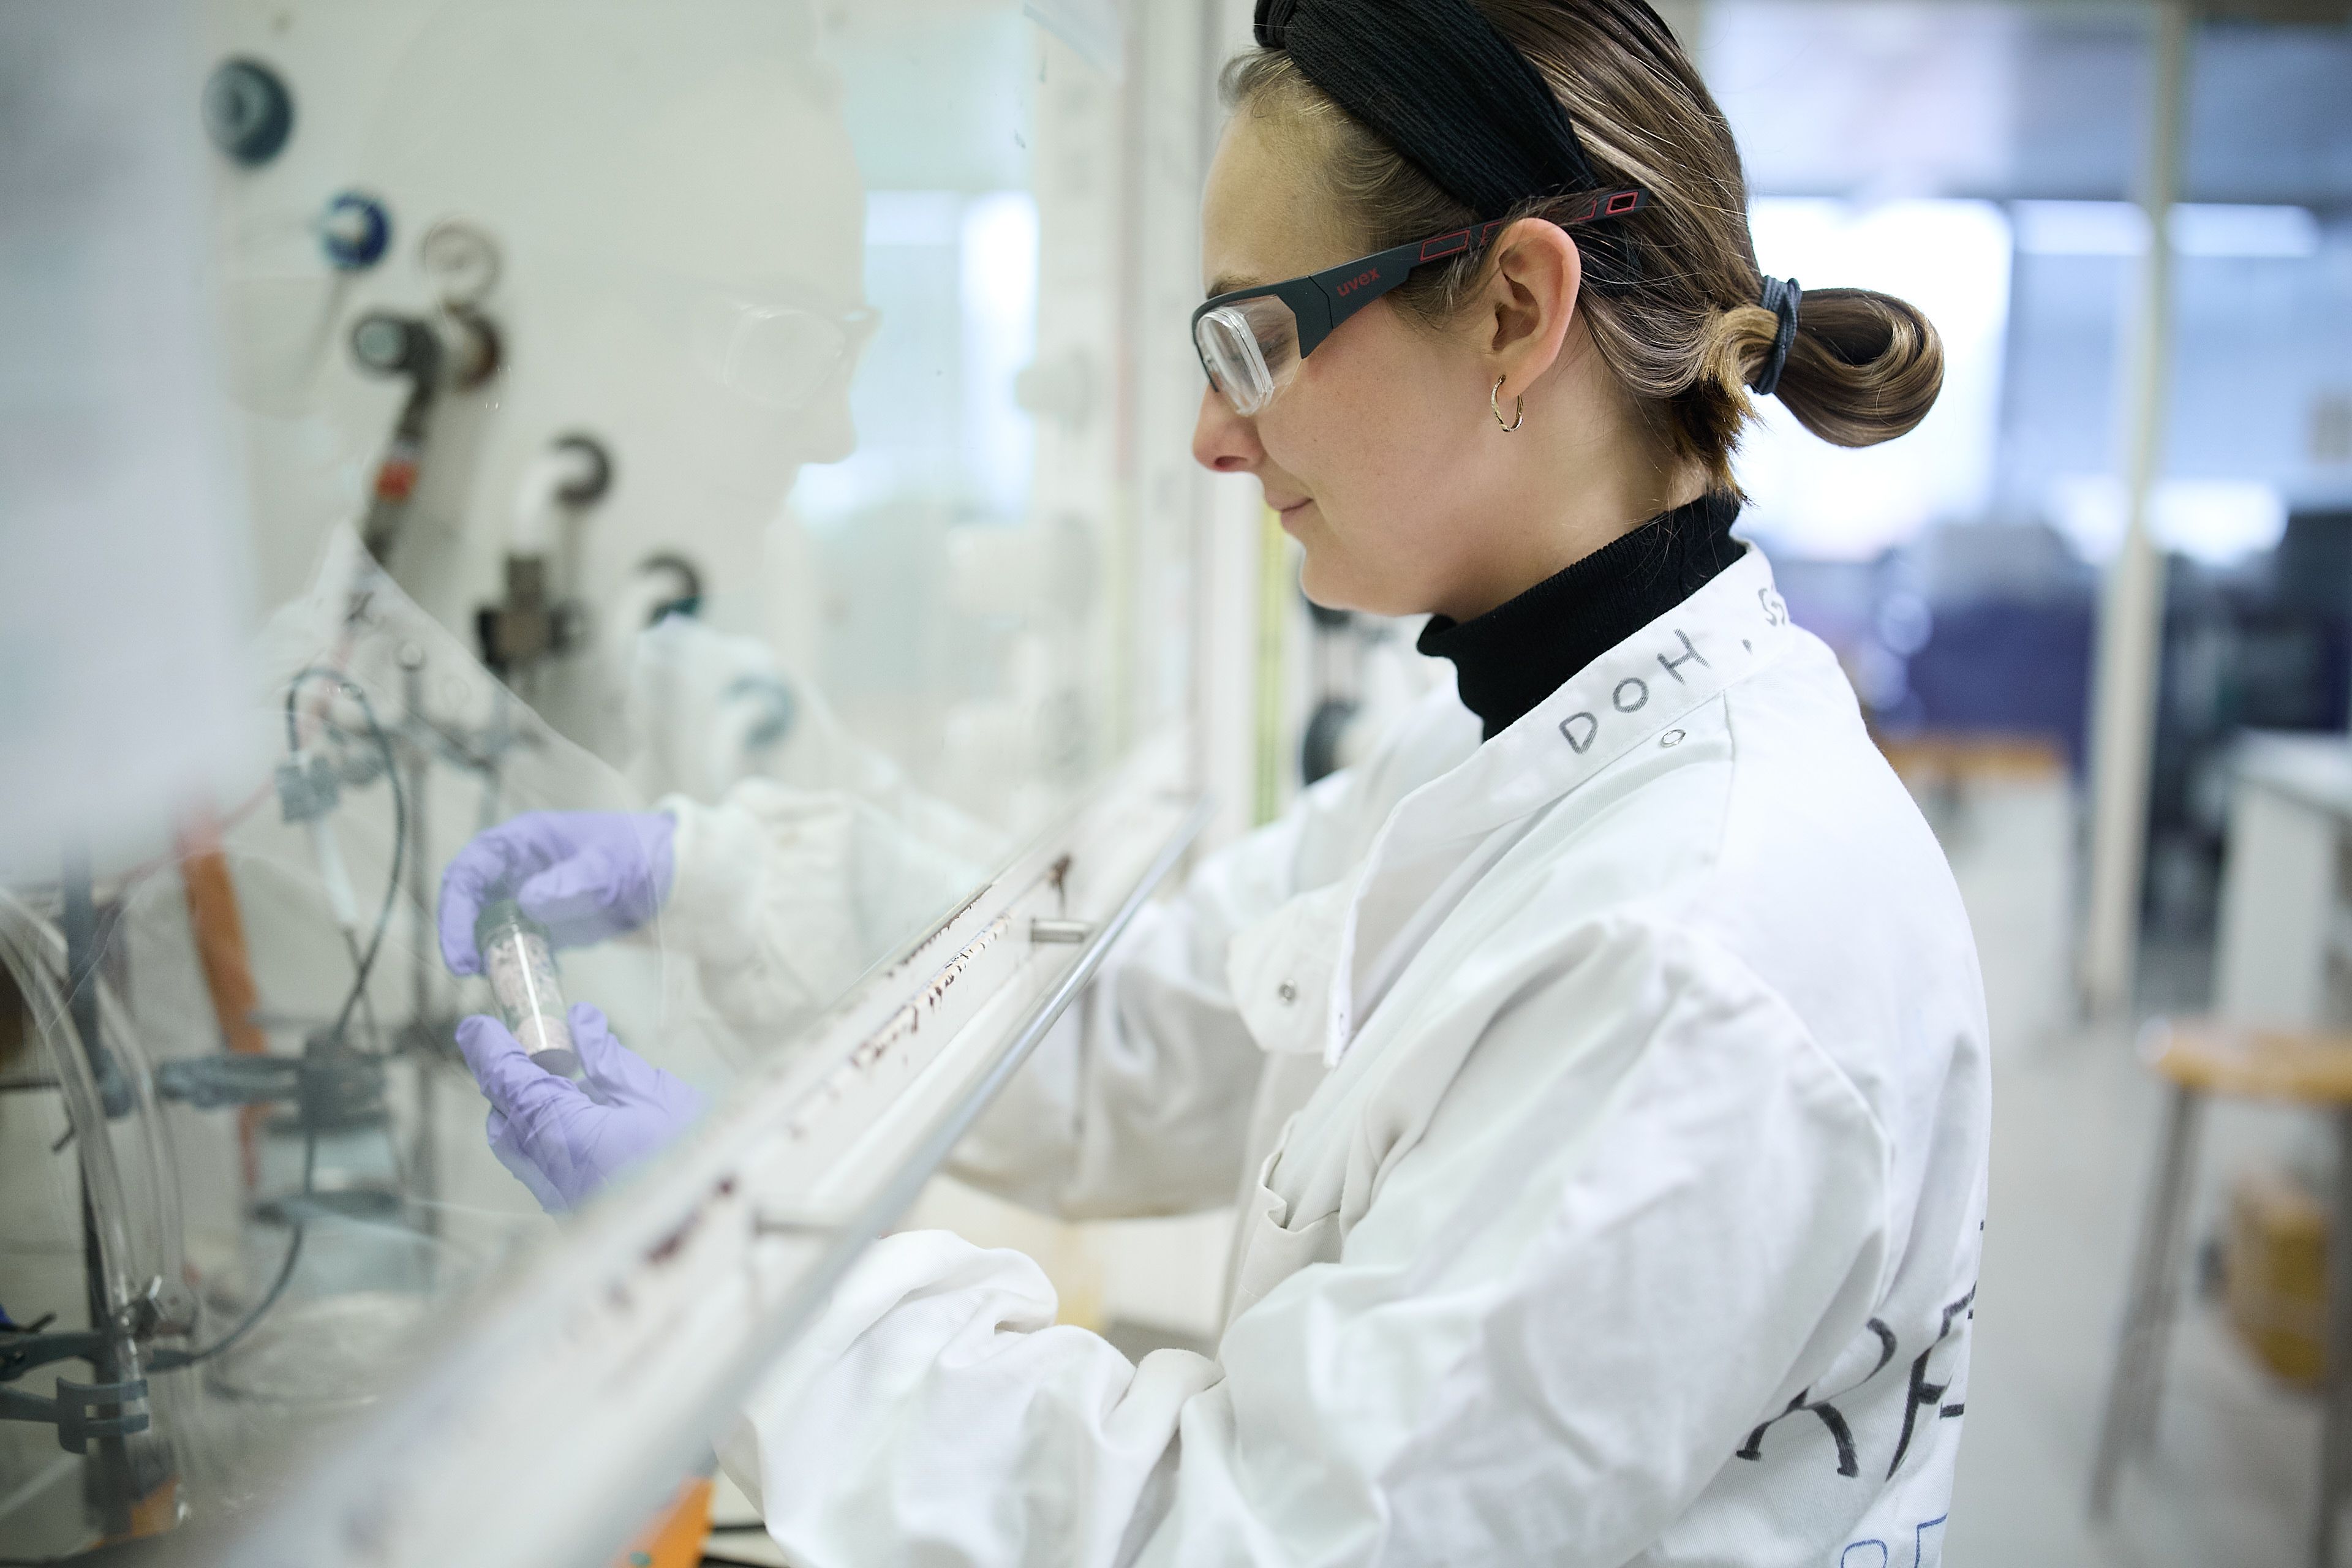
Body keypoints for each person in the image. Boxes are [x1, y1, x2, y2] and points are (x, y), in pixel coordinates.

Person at [439, 0, 1989, 1560]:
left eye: (1254, 336)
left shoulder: (1695, 953)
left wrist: (746, 1287)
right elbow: (1150, 1029)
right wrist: (709, 873)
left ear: (1519, 307)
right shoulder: (1502, 739)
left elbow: (1262, 1533)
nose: (1209, 435)